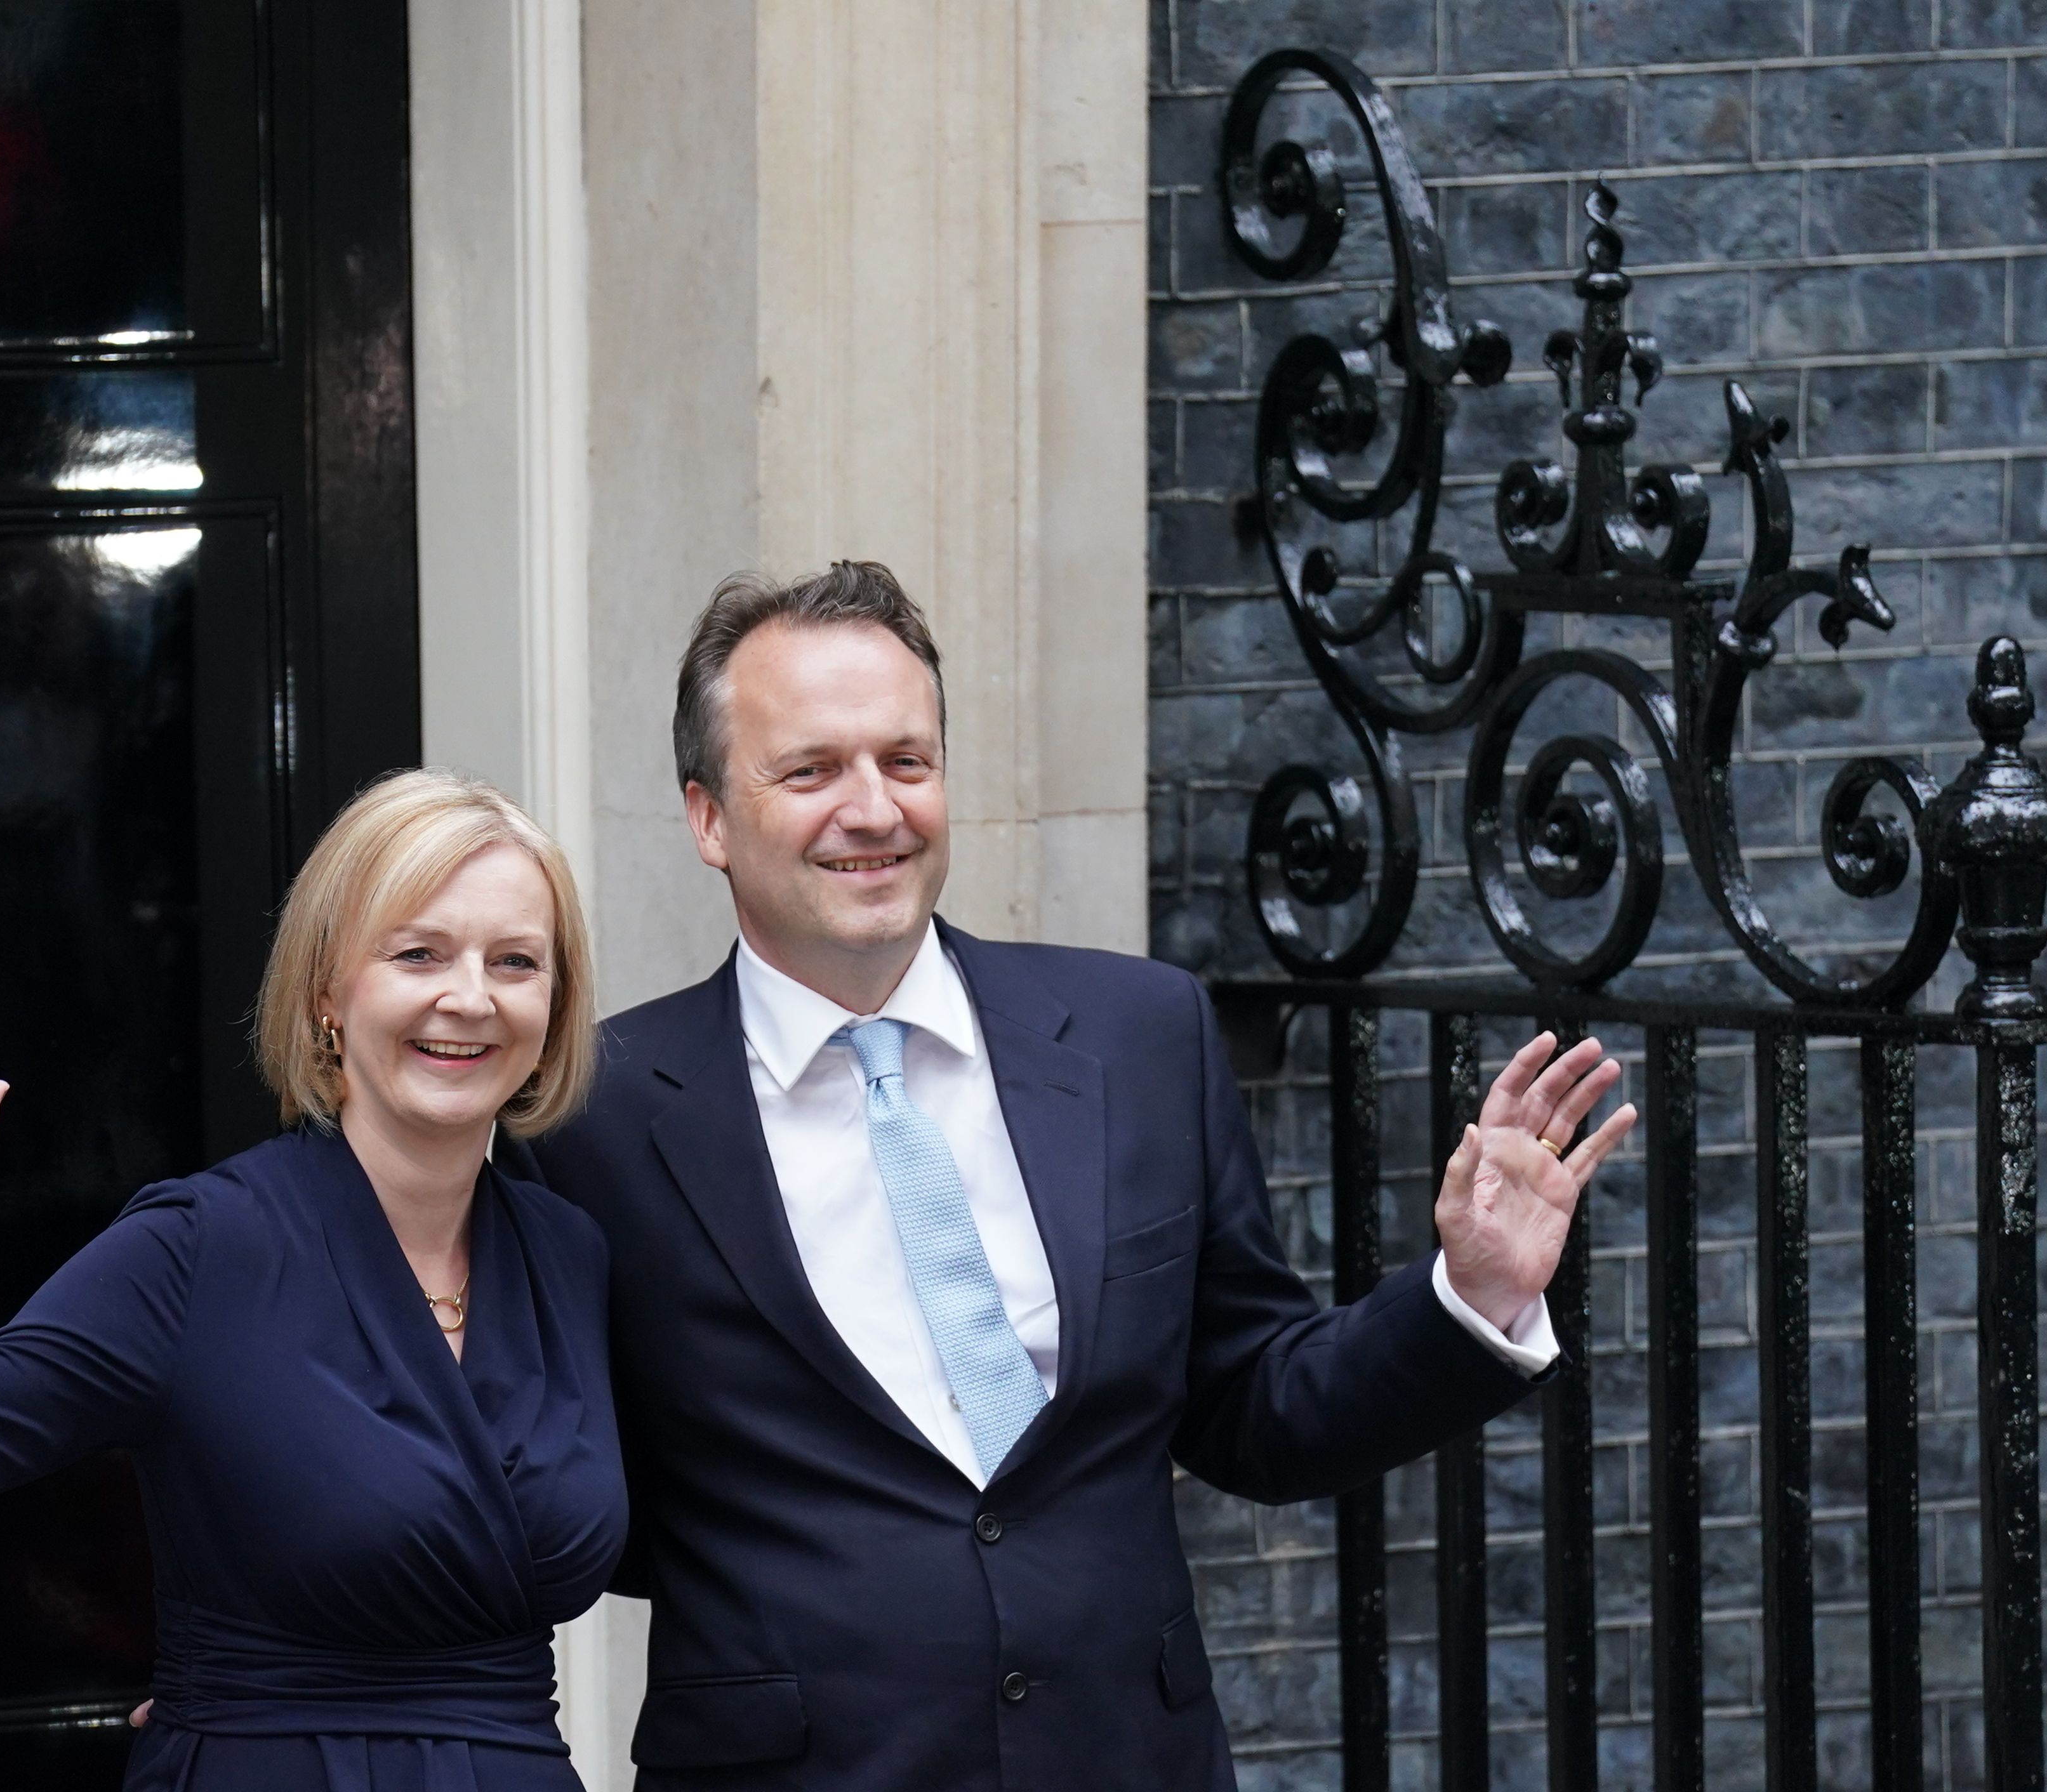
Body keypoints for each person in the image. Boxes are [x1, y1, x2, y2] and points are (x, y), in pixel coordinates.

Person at [515, 563, 1636, 1791]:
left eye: (907, 761)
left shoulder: (1138, 1035)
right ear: (709, 816)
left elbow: (1253, 1407)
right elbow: (580, 1496)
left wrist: (1464, 1297)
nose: (874, 809)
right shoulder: (591, 1113)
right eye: (810, 770)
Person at [0, 769, 626, 1791]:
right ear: (330, 992)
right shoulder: (201, 1248)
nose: (469, 996)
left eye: (515, 961)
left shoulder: (569, 1254)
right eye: (418, 952)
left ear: (554, 1007)